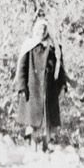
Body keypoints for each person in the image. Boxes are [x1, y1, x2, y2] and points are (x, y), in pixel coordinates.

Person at [14, 15, 67, 151]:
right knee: (32, 120)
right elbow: (22, 67)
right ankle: (33, 144)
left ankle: (46, 143)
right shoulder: (29, 46)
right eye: (39, 29)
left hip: (49, 89)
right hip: (32, 88)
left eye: (44, 29)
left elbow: (60, 67)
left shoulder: (54, 47)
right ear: (35, 30)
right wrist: (21, 85)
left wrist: (62, 84)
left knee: (47, 119)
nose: (41, 32)